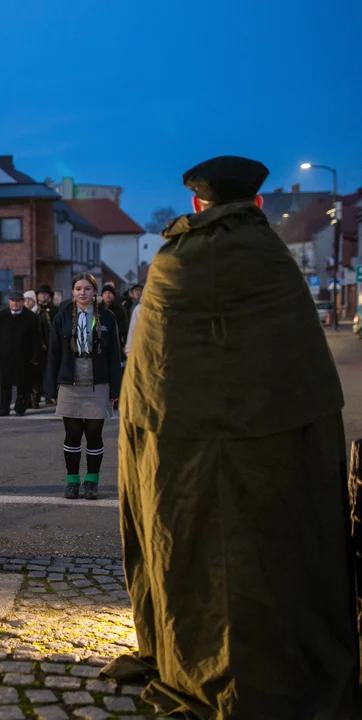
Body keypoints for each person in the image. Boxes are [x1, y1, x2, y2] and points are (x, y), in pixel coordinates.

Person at [103, 156, 360, 718]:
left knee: (190, 544)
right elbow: (302, 367)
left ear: (197, 204)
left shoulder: (170, 265)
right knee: (265, 550)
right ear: (258, 203)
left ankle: (187, 652)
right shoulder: (275, 263)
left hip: (180, 443)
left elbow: (149, 371)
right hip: (273, 442)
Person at [43, 273, 122, 501]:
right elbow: (54, 354)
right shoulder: (63, 316)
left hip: (98, 382)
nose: (82, 292)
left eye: (87, 288)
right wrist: (50, 387)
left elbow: (114, 355)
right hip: (70, 382)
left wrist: (116, 389)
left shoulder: (107, 317)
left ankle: (92, 481)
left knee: (95, 435)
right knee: (73, 434)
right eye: (78, 288)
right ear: (73, 291)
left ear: (94, 291)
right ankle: (72, 481)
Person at [0, 290, 39, 417]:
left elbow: (36, 338)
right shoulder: (2, 315)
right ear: (9, 302)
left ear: (22, 302)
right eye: (13, 301)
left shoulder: (31, 317)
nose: (15, 304)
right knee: (5, 383)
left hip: (24, 356)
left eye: (18, 301)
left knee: (23, 384)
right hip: (6, 355)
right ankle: (3, 408)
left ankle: (20, 408)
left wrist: (35, 357)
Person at [25, 290, 51, 409]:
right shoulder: (23, 314)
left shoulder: (41, 313)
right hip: (26, 350)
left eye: (29, 300)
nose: (26, 302)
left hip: (40, 349)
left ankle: (35, 398)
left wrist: (46, 345)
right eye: (25, 300)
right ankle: (28, 399)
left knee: (37, 376)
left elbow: (46, 331)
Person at [124, 285, 143, 356]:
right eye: (136, 291)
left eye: (139, 291)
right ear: (132, 293)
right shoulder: (129, 305)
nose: (138, 293)